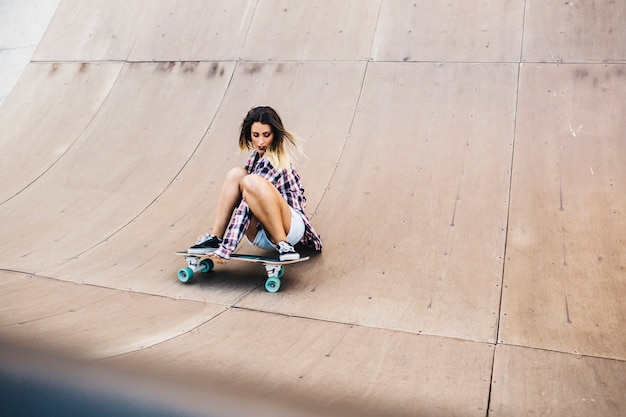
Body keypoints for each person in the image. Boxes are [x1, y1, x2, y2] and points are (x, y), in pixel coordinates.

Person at [189, 106, 322, 263]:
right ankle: (215, 238)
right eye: (255, 135)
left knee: (250, 182)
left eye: (266, 135)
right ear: (249, 135)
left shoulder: (274, 160)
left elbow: (246, 204)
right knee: (236, 175)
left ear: (275, 135)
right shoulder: (255, 159)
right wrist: (222, 245)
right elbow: (248, 199)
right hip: (262, 232)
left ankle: (283, 244)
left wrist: (227, 248)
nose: (260, 142)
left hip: (290, 227)